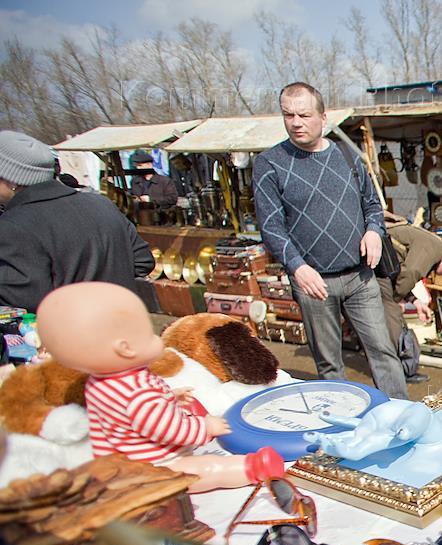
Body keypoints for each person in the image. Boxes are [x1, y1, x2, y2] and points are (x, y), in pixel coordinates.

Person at [37, 282, 284, 493]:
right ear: (126, 348)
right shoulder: (138, 394)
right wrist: (205, 427)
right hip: (155, 465)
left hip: (121, 460)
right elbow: (168, 428)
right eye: (148, 333)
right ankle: (253, 468)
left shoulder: (100, 383)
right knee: (204, 470)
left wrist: (169, 395)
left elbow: (129, 414)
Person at [253, 82, 409, 399]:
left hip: (360, 276)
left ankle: (401, 416)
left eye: (304, 114)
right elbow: (271, 226)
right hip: (313, 282)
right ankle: (341, 428)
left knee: (383, 351)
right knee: (329, 365)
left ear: (323, 118)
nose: (296, 122)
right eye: (288, 115)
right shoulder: (270, 164)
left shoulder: (349, 158)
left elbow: (373, 206)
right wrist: (296, 267)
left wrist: (373, 231)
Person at [0, 130, 154, 311]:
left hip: (71, 335)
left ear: (11, 179)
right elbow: (143, 260)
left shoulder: (13, 225)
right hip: (125, 325)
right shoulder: (100, 203)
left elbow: (24, 301)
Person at [376, 222, 442, 385]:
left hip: (384, 265)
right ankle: (396, 373)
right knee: (393, 320)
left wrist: (414, 301)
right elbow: (410, 273)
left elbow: (403, 274)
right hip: (380, 266)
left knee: (394, 318)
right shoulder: (434, 250)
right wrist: (397, 298)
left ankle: (403, 369)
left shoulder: (436, 248)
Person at [128, 149, 178, 222]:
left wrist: (150, 199)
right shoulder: (135, 181)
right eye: (137, 166)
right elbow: (133, 196)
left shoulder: (164, 181)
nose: (138, 168)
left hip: (163, 219)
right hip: (141, 219)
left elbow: (172, 199)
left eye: (140, 166)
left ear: (149, 165)